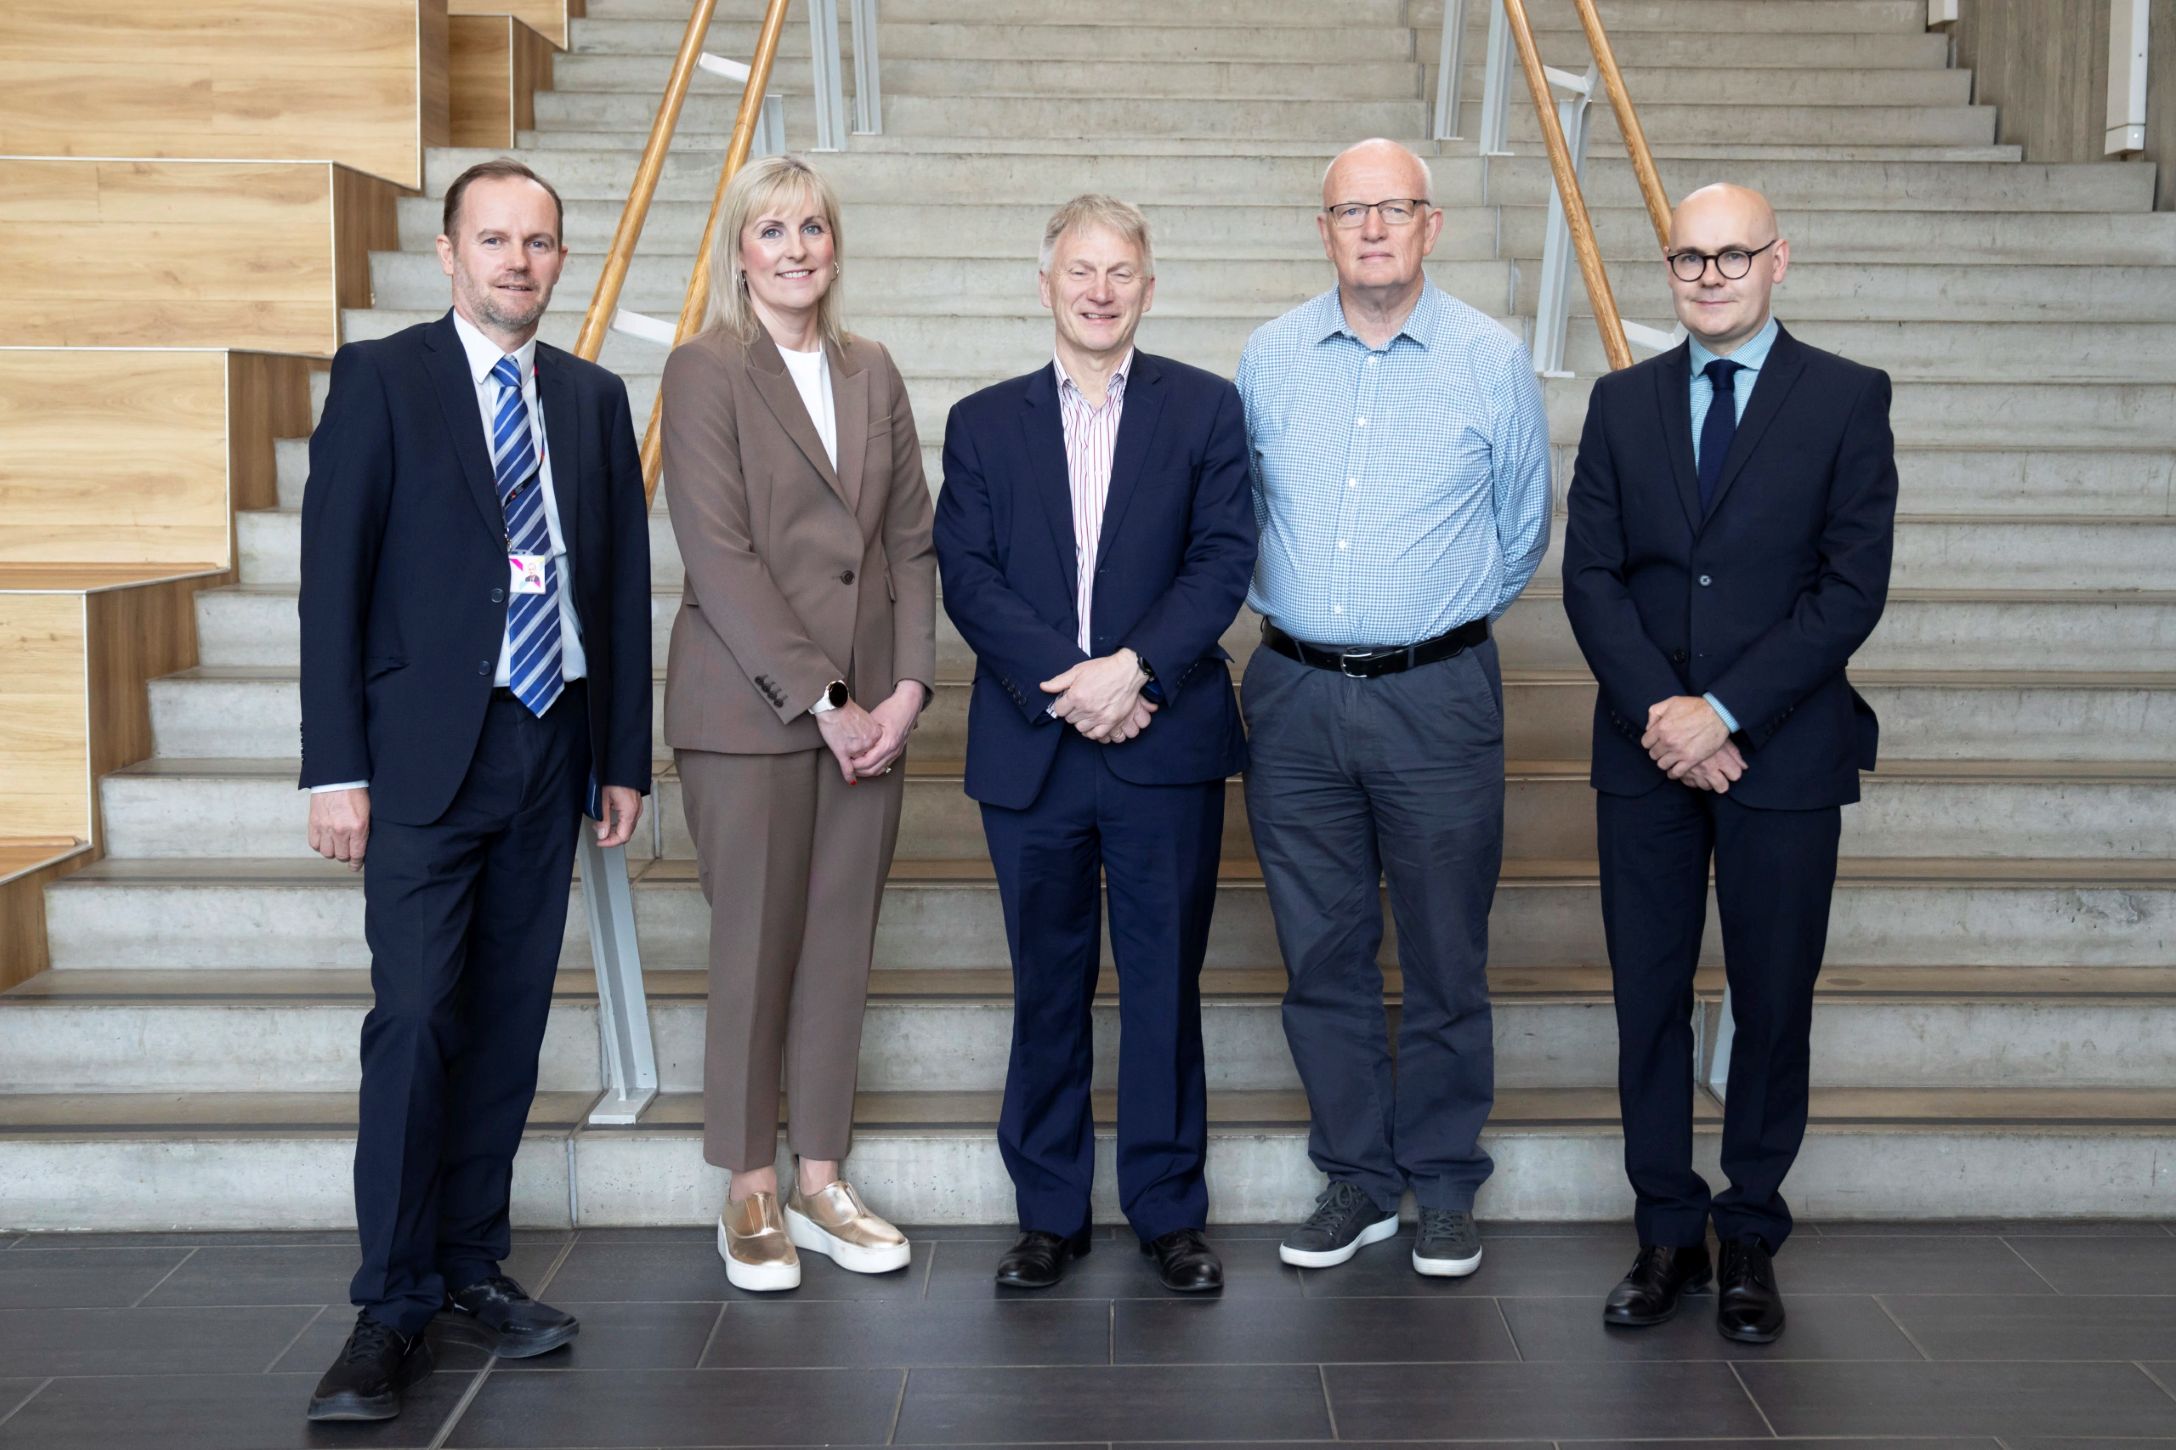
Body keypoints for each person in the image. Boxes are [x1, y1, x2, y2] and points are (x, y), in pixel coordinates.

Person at [298, 158, 651, 1421]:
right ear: (448, 255)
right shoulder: (384, 380)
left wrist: (620, 759)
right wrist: (334, 765)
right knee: (415, 1019)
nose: (517, 261)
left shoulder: (596, 399)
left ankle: (469, 1265)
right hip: (422, 758)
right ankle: (387, 1306)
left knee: (506, 1020)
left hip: (549, 744)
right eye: (494, 239)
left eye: (540, 242)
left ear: (560, 260)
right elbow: (330, 580)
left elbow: (616, 593)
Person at [1562, 183, 1896, 1343]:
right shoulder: (1621, 402)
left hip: (1783, 753)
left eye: (1731, 255)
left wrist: (1726, 711)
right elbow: (1591, 578)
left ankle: (1748, 1227)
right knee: (1646, 1001)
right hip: (1642, 750)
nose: (1708, 275)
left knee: (1771, 1000)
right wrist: (1665, 709)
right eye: (1687, 257)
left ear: (1777, 261)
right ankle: (1666, 1231)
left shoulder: (1847, 398)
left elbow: (1849, 588)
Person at [1236, 138, 1551, 1278]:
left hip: (1437, 695)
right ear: (1322, 232)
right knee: (1321, 951)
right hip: (1296, 693)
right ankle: (1357, 1180)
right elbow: (1239, 515)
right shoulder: (1268, 357)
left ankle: (1445, 1180)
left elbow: (1520, 533)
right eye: (1349, 211)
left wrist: (1428, 621)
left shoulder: (1489, 357)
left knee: (1443, 953)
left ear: (1431, 226)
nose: (1373, 229)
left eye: (1395, 209)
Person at [933, 194, 1256, 1293]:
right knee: (1048, 981)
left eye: (1121, 271)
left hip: (1162, 738)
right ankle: (1048, 1212)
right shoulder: (981, 422)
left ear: (1148, 290)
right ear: (1046, 286)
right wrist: (1071, 686)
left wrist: (1136, 670)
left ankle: (1168, 1210)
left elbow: (1221, 559)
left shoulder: (1207, 410)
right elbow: (966, 574)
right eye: (1081, 269)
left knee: (1165, 981)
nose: (1100, 289)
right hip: (1035, 746)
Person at [658, 154, 936, 1292]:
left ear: (834, 245)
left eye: (811, 228)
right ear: (738, 252)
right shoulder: (704, 371)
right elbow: (719, 559)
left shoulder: (874, 370)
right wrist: (825, 700)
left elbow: (911, 543)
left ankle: (821, 1176)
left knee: (837, 948)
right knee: (754, 947)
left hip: (873, 715)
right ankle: (748, 1188)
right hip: (751, 713)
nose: (793, 249)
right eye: (769, 231)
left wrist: (907, 690)